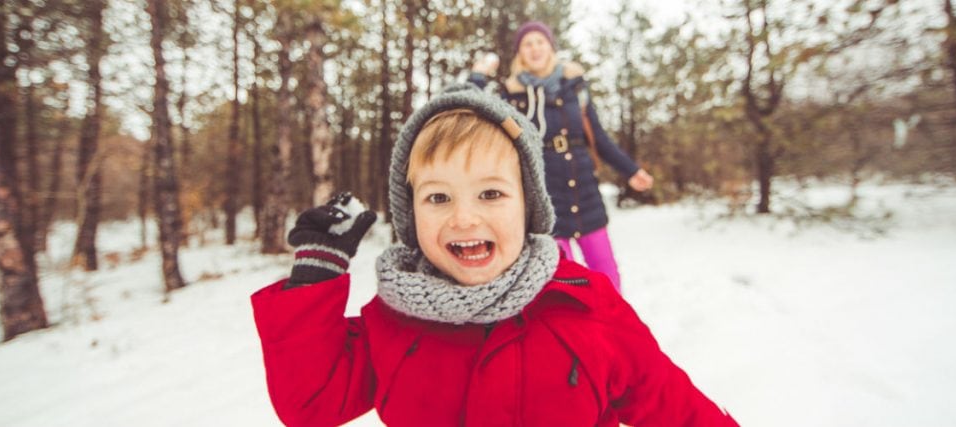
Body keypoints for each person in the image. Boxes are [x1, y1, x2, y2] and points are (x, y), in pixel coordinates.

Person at [251, 84, 738, 426]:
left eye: (490, 194)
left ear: (529, 205)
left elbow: (673, 405)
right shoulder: (391, 320)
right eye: (438, 198)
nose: (464, 219)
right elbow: (310, 404)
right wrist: (315, 274)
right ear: (410, 215)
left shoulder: (587, 307)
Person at [469, 21, 653, 293]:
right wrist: (477, 76)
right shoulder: (512, 95)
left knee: (608, 278)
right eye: (527, 44)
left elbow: (598, 137)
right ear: (520, 53)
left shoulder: (574, 88)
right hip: (546, 198)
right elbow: (473, 107)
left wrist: (630, 170)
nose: (534, 48)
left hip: (585, 192)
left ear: (550, 47)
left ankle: (610, 332)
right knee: (563, 283)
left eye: (539, 42)